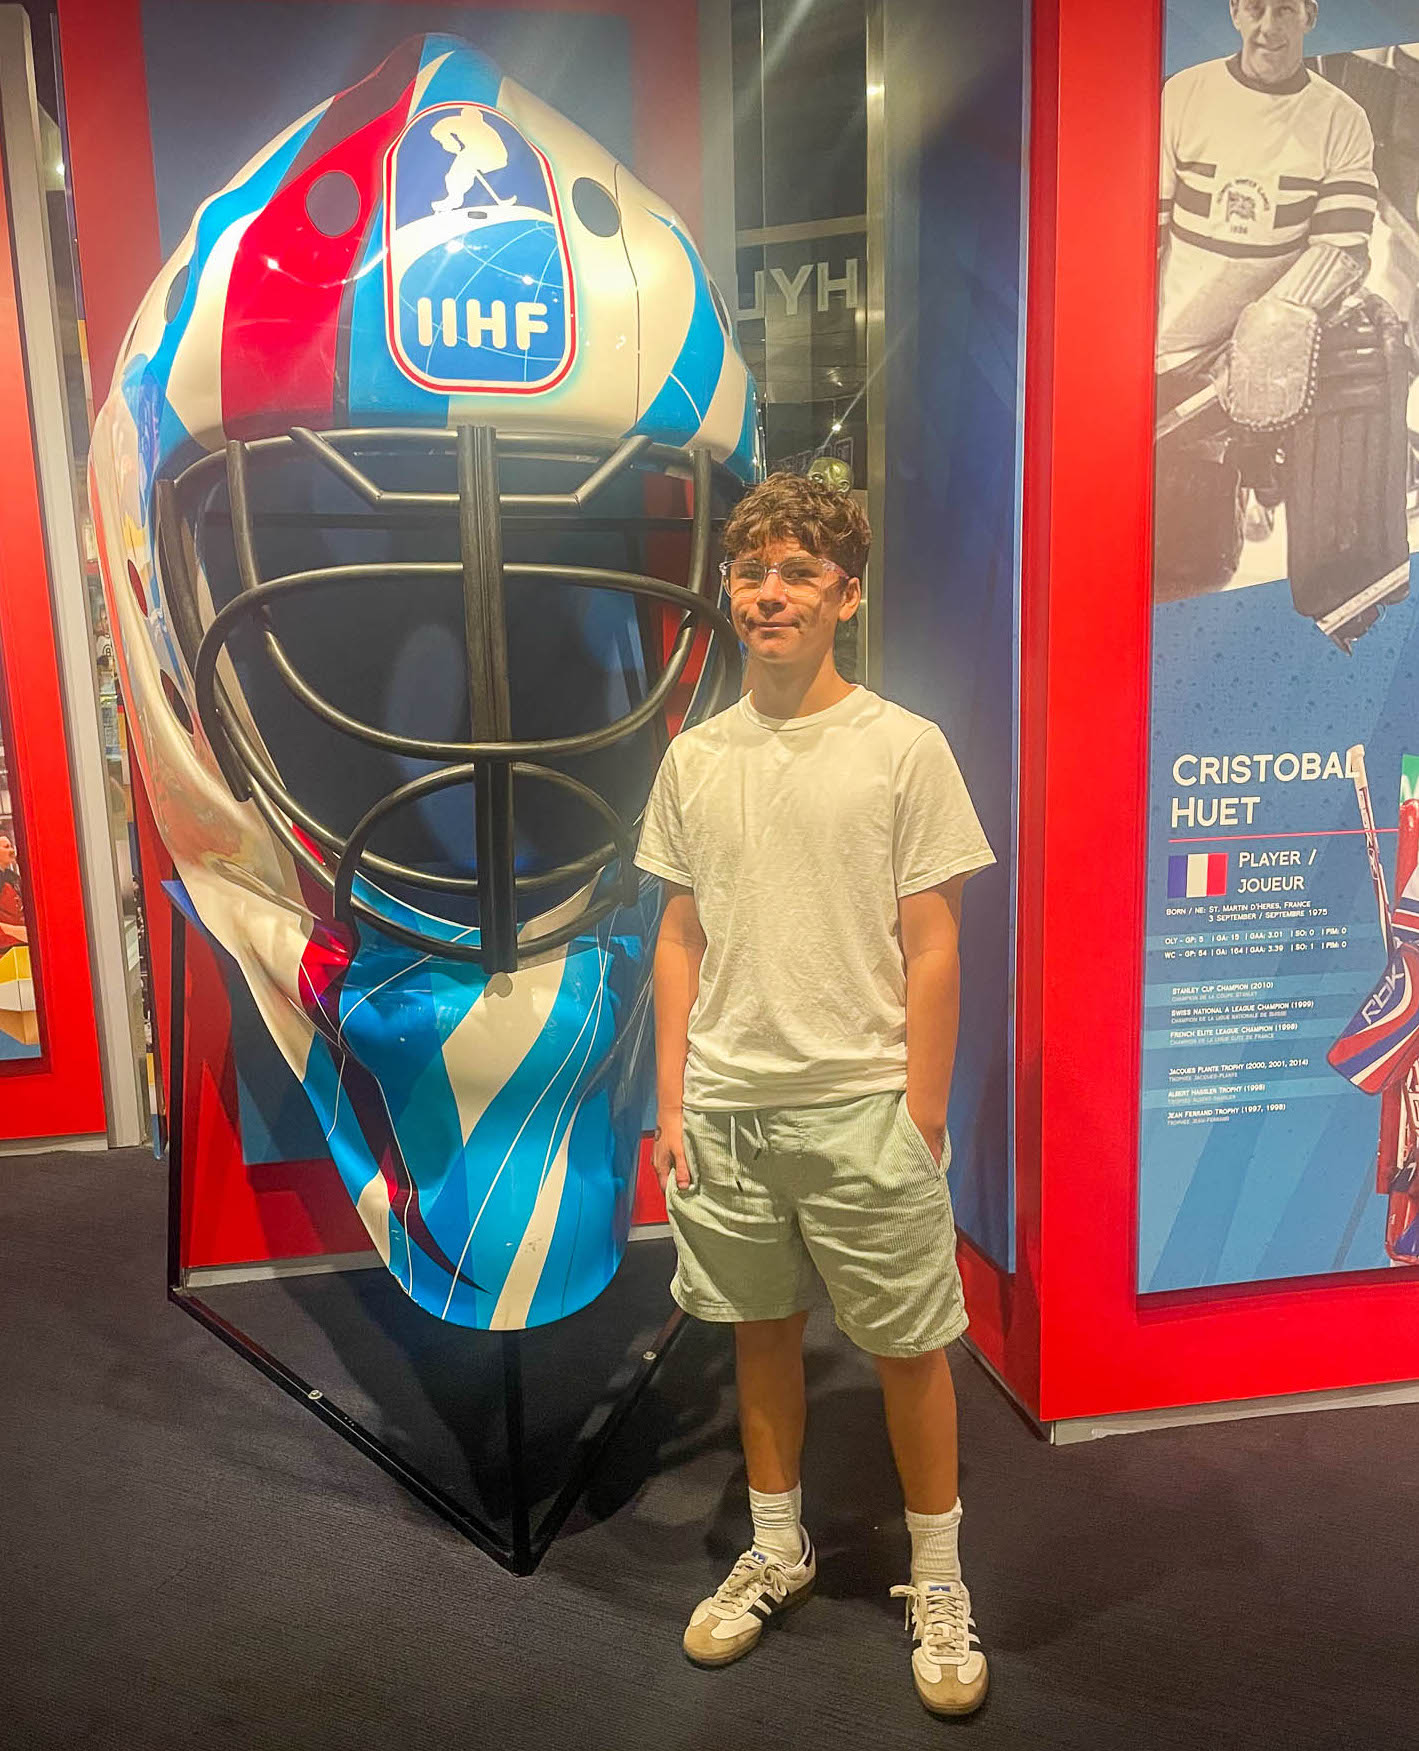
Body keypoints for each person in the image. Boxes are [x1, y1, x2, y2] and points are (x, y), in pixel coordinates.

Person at [633, 473, 995, 1717]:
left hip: (864, 1106)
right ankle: (777, 1545)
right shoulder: (692, 758)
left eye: (796, 572)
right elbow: (678, 935)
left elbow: (934, 941)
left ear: (845, 591)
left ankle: (938, 1576)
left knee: (908, 1348)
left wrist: (924, 1107)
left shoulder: (904, 747)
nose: (770, 593)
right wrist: (673, 1099)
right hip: (729, 1110)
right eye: (752, 573)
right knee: (761, 1331)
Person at [1154, 0, 1380, 604]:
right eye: (1255, 8)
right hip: (1167, 352)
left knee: (1204, 568)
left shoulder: (1341, 118)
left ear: (1310, 16)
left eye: (1285, 10)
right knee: (1148, 549)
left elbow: (1344, 246)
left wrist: (1275, 320)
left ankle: (1258, 489)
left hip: (1271, 353)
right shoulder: (1186, 94)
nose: (1268, 26)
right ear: (1234, 12)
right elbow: (1141, 228)